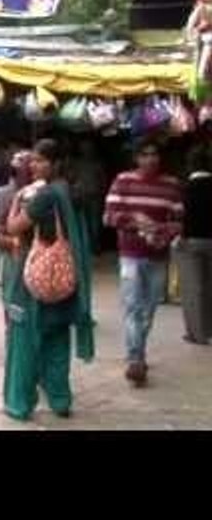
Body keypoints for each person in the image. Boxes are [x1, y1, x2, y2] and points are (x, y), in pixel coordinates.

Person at [3, 140, 95, 422]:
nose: (33, 166)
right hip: (66, 279)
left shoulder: (44, 197)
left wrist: (17, 201)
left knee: (24, 342)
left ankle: (19, 403)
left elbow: (13, 227)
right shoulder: (74, 193)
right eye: (31, 160)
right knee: (57, 341)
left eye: (40, 160)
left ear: (55, 163)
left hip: (35, 279)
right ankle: (60, 399)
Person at [104, 138, 184, 388]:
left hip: (158, 256)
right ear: (136, 158)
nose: (151, 159)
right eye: (145, 154)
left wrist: (162, 231)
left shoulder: (171, 186)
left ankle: (138, 351)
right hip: (130, 254)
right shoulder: (123, 181)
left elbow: (179, 221)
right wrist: (135, 221)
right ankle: (136, 359)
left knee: (148, 310)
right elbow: (109, 216)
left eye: (155, 154)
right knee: (132, 306)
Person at [176, 143, 212, 345]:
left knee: (193, 288)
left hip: (190, 241)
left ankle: (197, 333)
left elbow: (178, 216)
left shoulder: (184, 188)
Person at [0, 151, 33, 292]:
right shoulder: (4, 195)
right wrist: (15, 242)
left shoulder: (41, 192)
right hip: (16, 258)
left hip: (32, 258)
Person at [72, 140, 108, 255]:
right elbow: (72, 178)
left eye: (88, 147)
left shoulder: (98, 163)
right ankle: (86, 248)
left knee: (95, 224)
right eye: (84, 147)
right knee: (84, 223)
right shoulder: (77, 163)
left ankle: (95, 247)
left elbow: (103, 180)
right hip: (81, 196)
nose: (86, 149)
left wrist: (103, 194)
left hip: (95, 197)